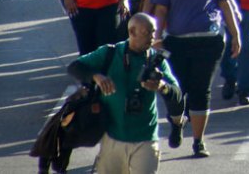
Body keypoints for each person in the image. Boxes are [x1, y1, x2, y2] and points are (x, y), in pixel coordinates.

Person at [150, 0, 241, 158]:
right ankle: (178, 124)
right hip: (177, 43)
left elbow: (225, 5)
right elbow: (161, 9)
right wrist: (156, 39)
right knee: (179, 90)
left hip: (209, 41)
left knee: (201, 90)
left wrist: (235, 35)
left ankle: (198, 141)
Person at [66, 13, 183, 174]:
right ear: (132, 32)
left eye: (153, 32)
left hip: (146, 137)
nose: (152, 37)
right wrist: (96, 76)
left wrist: (162, 87)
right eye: (146, 32)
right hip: (112, 137)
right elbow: (75, 67)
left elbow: (177, 95)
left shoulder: (157, 60)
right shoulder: (110, 53)